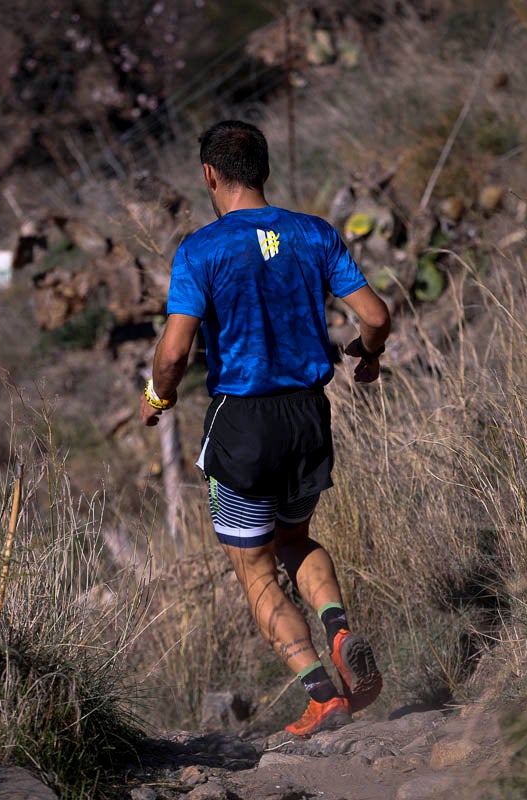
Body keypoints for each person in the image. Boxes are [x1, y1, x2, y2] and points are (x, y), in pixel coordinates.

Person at [138, 120, 391, 737]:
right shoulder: (314, 233)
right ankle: (340, 630)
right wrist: (368, 353)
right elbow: (377, 316)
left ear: (209, 175)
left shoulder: (201, 250)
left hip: (243, 423)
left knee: (255, 569)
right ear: (266, 171)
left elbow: (173, 354)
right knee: (296, 537)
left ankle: (321, 695)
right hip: (309, 414)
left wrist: (156, 397)